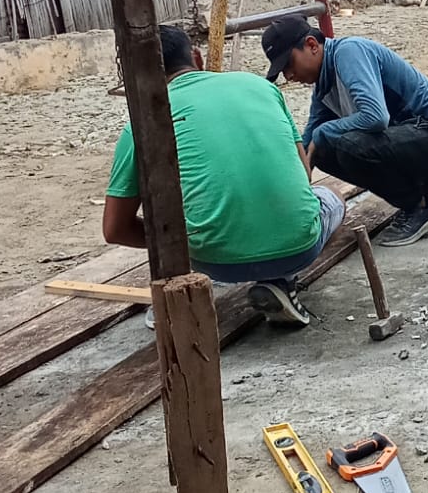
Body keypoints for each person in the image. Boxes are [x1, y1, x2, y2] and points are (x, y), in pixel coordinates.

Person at [102, 25, 345, 328]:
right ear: (197, 58)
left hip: (213, 261)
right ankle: (280, 278)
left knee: (175, 209)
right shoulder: (260, 86)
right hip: (298, 248)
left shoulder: (141, 124)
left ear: (135, 78)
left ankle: (173, 297)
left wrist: (182, 240)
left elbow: (115, 229)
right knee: (331, 198)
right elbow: (303, 175)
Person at [261, 15, 428, 246]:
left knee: (349, 146)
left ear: (312, 45)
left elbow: (376, 117)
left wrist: (323, 132)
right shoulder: (323, 85)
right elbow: (309, 141)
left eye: (289, 64)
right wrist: (292, 180)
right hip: (414, 140)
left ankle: (418, 207)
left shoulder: (349, 52)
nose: (289, 76)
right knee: (323, 150)